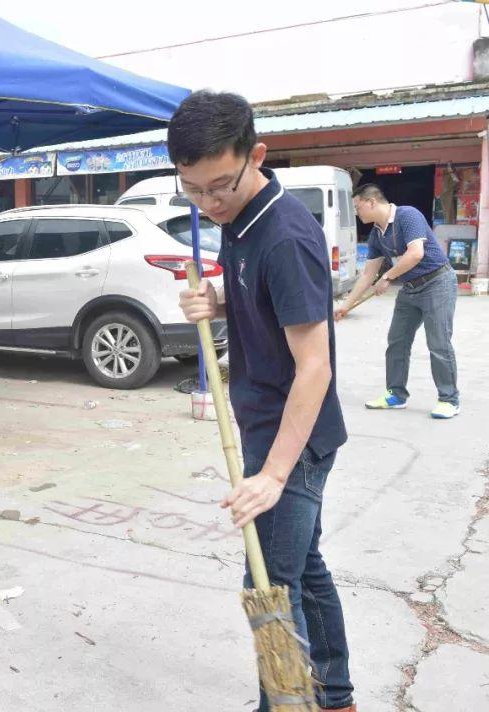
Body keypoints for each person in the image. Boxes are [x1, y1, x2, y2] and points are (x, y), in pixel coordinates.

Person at [172, 91, 355, 712]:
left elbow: (315, 367)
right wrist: (215, 303)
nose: (209, 202)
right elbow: (264, 305)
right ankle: (335, 698)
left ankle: (288, 705)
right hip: (265, 425)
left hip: (293, 439)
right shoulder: (240, 220)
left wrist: (275, 474)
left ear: (259, 156)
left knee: (269, 585)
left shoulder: (285, 236)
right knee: (303, 569)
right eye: (193, 190)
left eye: (220, 186)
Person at [335, 184, 458, 419]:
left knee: (439, 343)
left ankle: (449, 399)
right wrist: (346, 305)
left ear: (371, 202)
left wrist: (389, 277)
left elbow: (416, 253)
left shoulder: (407, 215)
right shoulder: (375, 234)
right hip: (410, 289)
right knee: (397, 342)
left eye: (357, 206)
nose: (356, 213)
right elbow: (369, 274)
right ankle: (396, 394)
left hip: (437, 282)